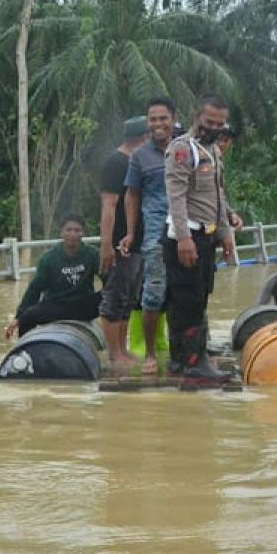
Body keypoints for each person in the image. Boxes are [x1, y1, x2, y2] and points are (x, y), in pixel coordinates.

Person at [163, 92, 235, 380]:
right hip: (186, 237)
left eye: (220, 124)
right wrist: (183, 238)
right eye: (209, 122)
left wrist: (226, 233)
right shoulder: (182, 149)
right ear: (196, 118)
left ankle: (182, 361)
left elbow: (218, 196)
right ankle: (194, 362)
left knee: (196, 298)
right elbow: (176, 196)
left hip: (206, 237)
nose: (214, 128)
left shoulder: (214, 152)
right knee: (188, 302)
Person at [120, 97, 176, 374]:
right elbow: (132, 196)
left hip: (188, 231)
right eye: (152, 119)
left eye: (162, 118)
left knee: (190, 292)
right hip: (155, 232)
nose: (158, 124)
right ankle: (151, 354)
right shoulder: (139, 156)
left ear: (173, 119)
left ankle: (187, 350)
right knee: (152, 293)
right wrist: (130, 233)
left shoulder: (186, 149)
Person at [97, 115, 149, 369]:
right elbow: (108, 206)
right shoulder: (116, 163)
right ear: (143, 138)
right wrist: (106, 245)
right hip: (119, 243)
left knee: (128, 298)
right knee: (114, 298)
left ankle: (123, 349)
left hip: (137, 243)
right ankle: (114, 353)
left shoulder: (135, 162)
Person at [5, 215, 101, 339]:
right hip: (57, 305)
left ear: (83, 233)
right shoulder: (49, 258)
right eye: (69, 230)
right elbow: (35, 288)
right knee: (27, 317)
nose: (73, 234)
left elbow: (109, 280)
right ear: (61, 232)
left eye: (77, 230)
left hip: (83, 305)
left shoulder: (93, 254)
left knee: (114, 297)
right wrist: (19, 317)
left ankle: (116, 348)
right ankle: (26, 349)